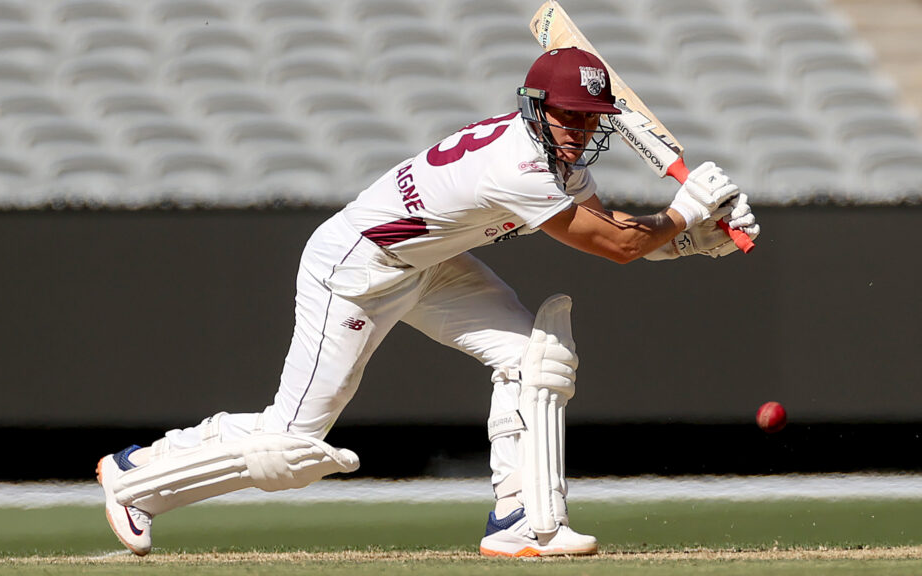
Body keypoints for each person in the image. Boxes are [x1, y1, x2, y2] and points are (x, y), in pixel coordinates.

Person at [96, 47, 759, 558]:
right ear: (536, 110)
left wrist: (694, 238)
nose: (582, 131)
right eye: (570, 116)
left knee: (533, 358)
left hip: (428, 264)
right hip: (356, 271)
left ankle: (522, 522)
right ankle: (136, 478)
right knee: (294, 446)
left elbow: (613, 233)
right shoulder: (518, 165)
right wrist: (683, 213)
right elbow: (613, 245)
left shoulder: (560, 161)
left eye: (591, 120)